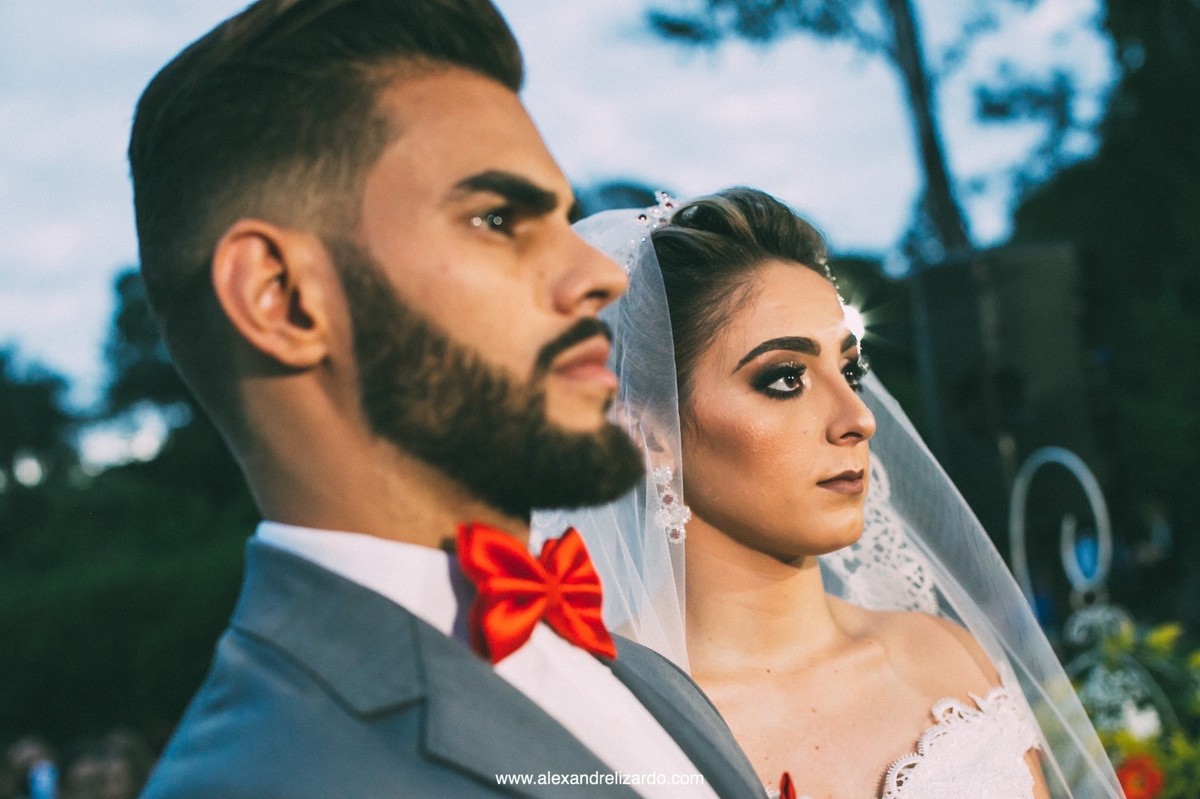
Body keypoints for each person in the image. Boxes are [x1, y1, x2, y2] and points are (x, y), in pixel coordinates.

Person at [128, 2, 764, 797]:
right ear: (283, 297)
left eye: (566, 222)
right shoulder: (261, 775)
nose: (606, 276)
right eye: (498, 219)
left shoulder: (651, 678)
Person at [534, 188, 1125, 798]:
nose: (857, 419)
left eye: (849, 371)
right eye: (785, 378)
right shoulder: (595, 718)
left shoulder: (947, 661)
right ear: (651, 433)